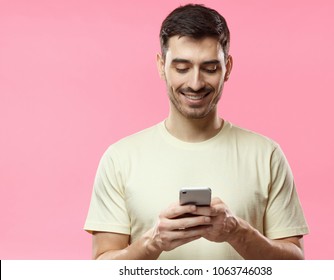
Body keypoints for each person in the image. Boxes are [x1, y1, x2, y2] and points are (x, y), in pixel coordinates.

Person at [84, 4, 309, 260]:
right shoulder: (120, 159)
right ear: (161, 65)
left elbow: (295, 265)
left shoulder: (267, 155)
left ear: (228, 68)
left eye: (210, 68)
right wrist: (153, 242)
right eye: (182, 68)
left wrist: (237, 232)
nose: (195, 83)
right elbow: (101, 267)